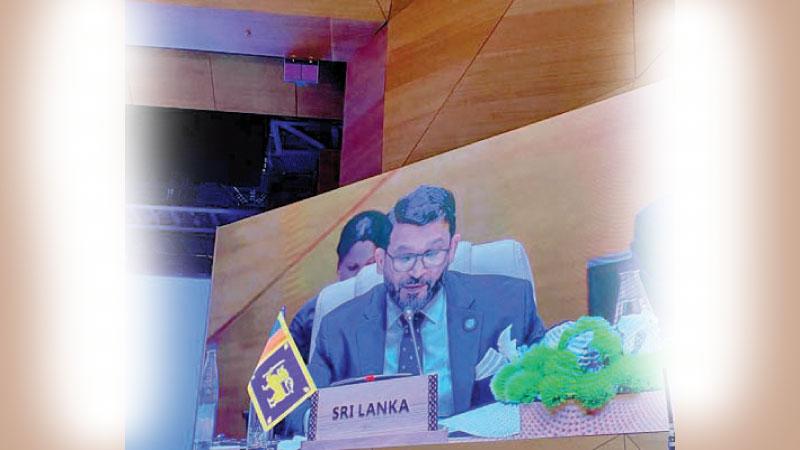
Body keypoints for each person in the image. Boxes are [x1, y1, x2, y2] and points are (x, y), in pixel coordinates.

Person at [306, 185, 546, 418]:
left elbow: (550, 382)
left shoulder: (509, 303)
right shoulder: (338, 329)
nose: (418, 272)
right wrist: (322, 423)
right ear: (380, 261)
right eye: (405, 257)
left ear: (452, 250)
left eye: (432, 254)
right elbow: (297, 410)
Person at [288, 210, 391, 362]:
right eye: (352, 267)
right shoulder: (310, 316)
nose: (361, 277)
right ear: (339, 268)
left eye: (370, 267)